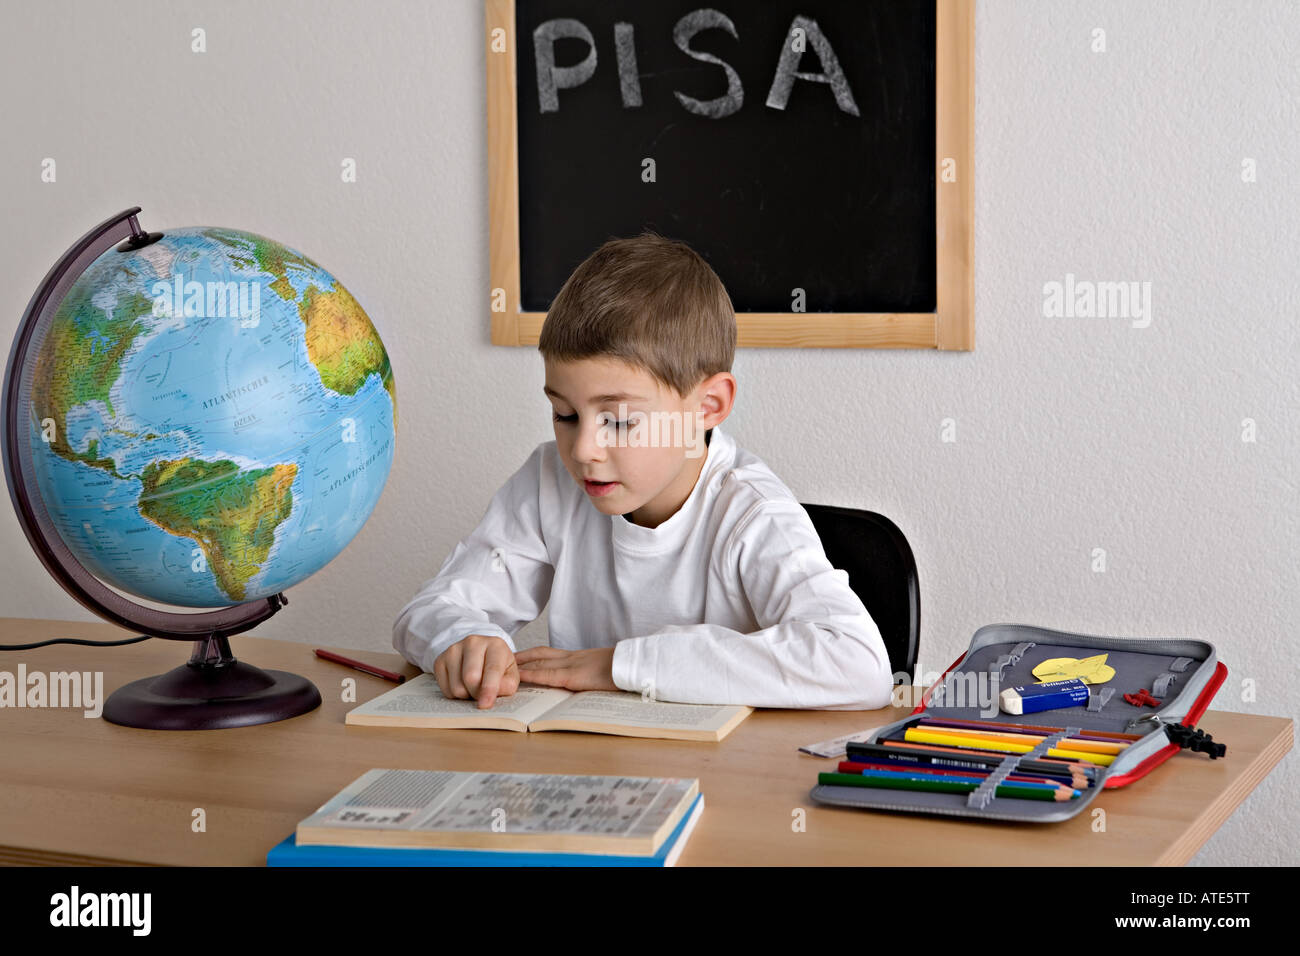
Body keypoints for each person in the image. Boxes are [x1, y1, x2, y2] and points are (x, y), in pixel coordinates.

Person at [392, 232, 893, 711]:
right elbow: (429, 608)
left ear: (707, 406)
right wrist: (461, 638)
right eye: (565, 415)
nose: (584, 449)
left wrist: (619, 665)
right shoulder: (550, 480)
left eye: (619, 420)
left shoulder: (752, 514)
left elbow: (859, 664)